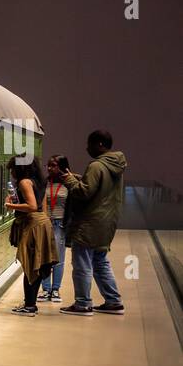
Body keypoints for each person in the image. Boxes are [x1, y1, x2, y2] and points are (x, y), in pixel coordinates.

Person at [58, 130, 128, 316]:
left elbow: (83, 193)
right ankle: (113, 301)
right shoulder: (115, 165)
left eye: (89, 144)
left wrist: (68, 179)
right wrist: (79, 178)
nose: (86, 148)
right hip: (107, 223)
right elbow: (99, 189)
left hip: (90, 223)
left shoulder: (96, 166)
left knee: (82, 264)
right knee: (100, 261)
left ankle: (82, 304)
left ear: (99, 144)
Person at [4, 156, 58, 316]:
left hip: (33, 224)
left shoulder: (24, 182)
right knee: (38, 265)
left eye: (13, 168)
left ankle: (29, 306)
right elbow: (42, 205)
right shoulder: (39, 181)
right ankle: (30, 304)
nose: (12, 172)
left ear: (21, 168)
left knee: (30, 266)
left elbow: (32, 206)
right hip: (42, 223)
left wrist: (10, 205)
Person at [40, 155, 70, 301]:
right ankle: (45, 289)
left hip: (60, 224)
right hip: (46, 222)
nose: (50, 168)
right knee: (44, 257)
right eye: (48, 165)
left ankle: (56, 289)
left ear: (62, 166)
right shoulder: (45, 183)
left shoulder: (69, 183)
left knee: (58, 258)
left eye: (53, 165)